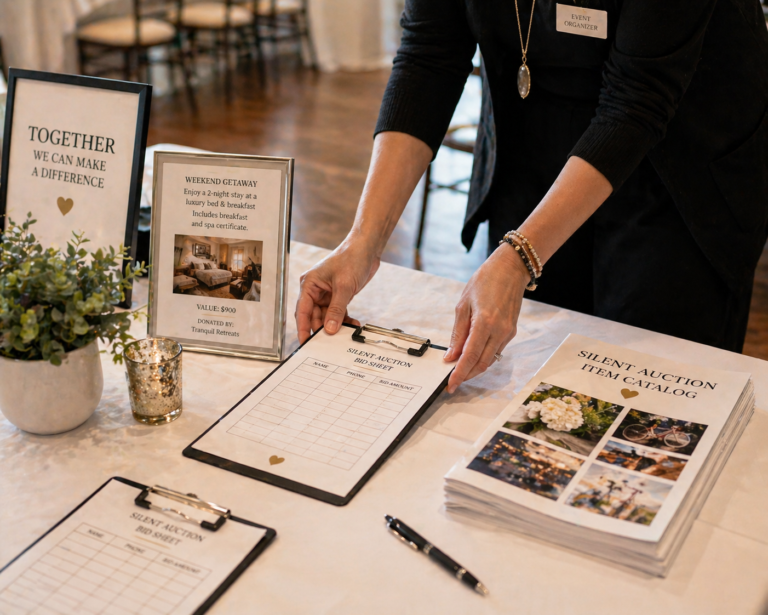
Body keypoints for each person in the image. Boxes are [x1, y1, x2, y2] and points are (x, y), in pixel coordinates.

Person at [296, 0, 768, 395]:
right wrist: (362, 241)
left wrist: (518, 257)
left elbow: (638, 100)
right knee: (528, 380)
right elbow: (428, 56)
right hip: (533, 141)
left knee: (647, 393)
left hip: (678, 166)